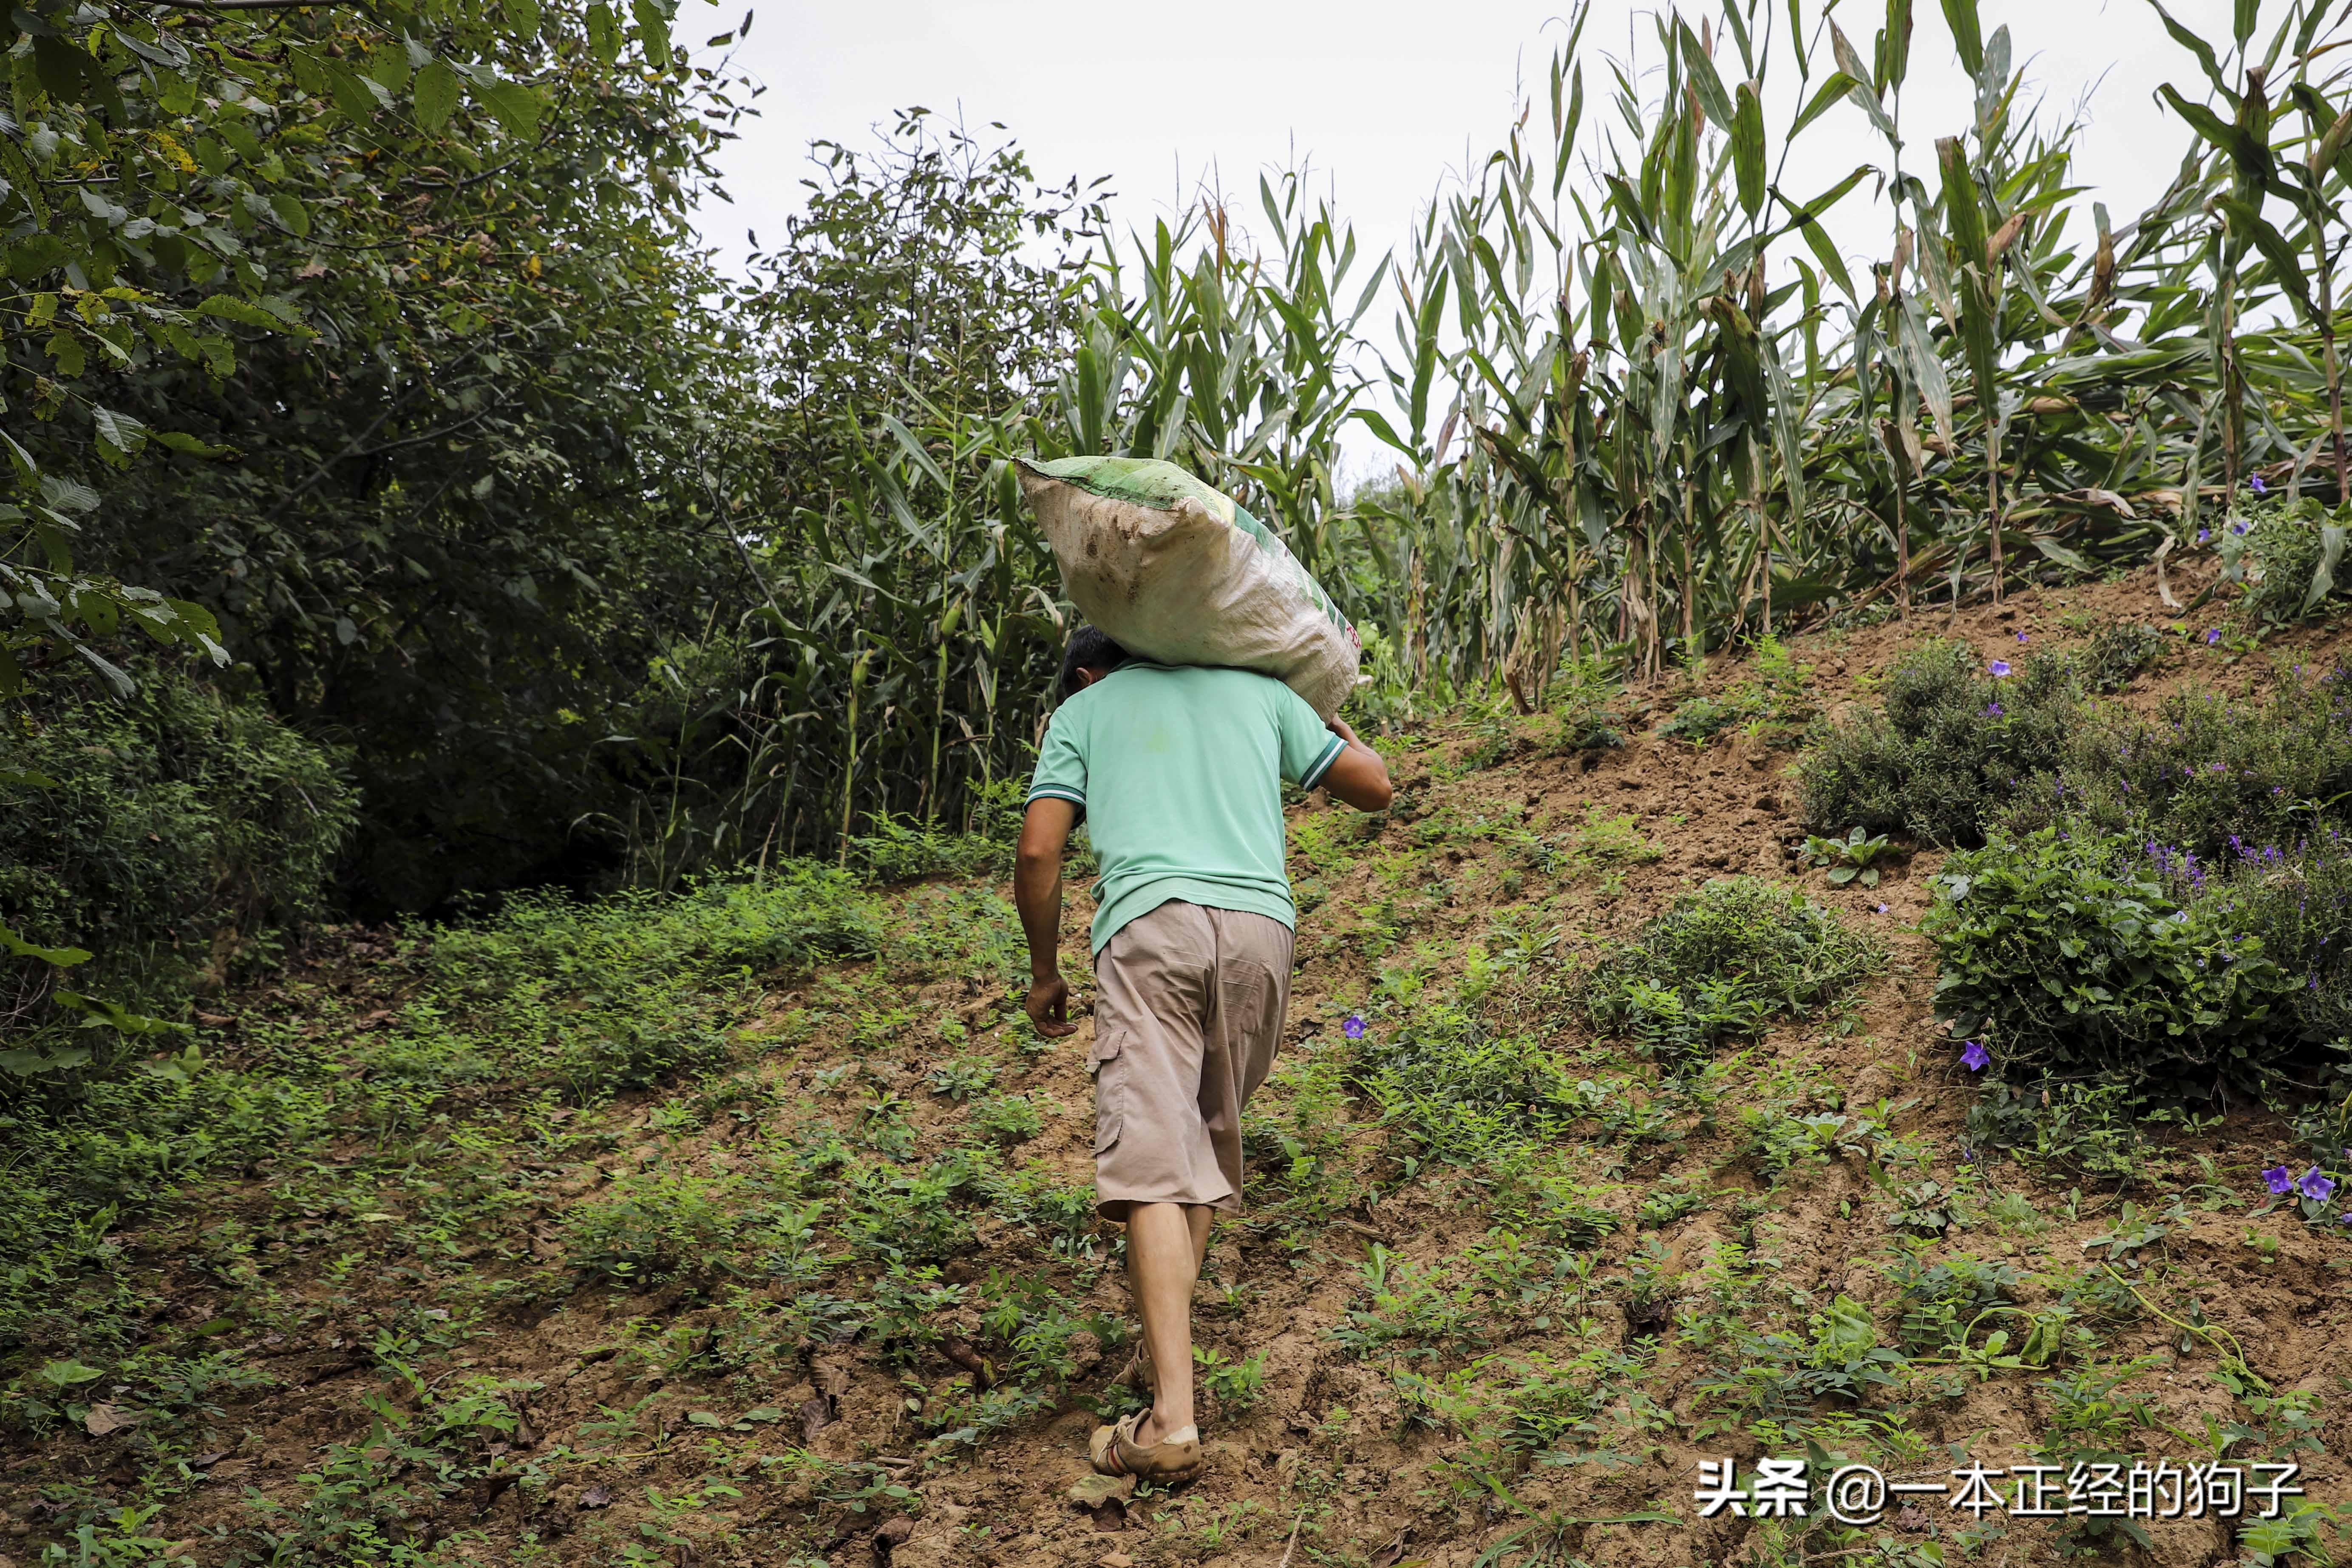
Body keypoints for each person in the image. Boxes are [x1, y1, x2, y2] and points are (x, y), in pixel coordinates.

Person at [1014, 625, 1392, 1484]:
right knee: (1204, 1144)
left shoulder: (1085, 711)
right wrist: (1317, 706)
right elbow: (1375, 788)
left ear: (1084, 673)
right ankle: (1166, 1369)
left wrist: (1044, 972)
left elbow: (1039, 849)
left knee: (1151, 1162)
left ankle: (1172, 1422)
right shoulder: (1259, 694)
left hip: (1152, 928)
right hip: (1262, 934)